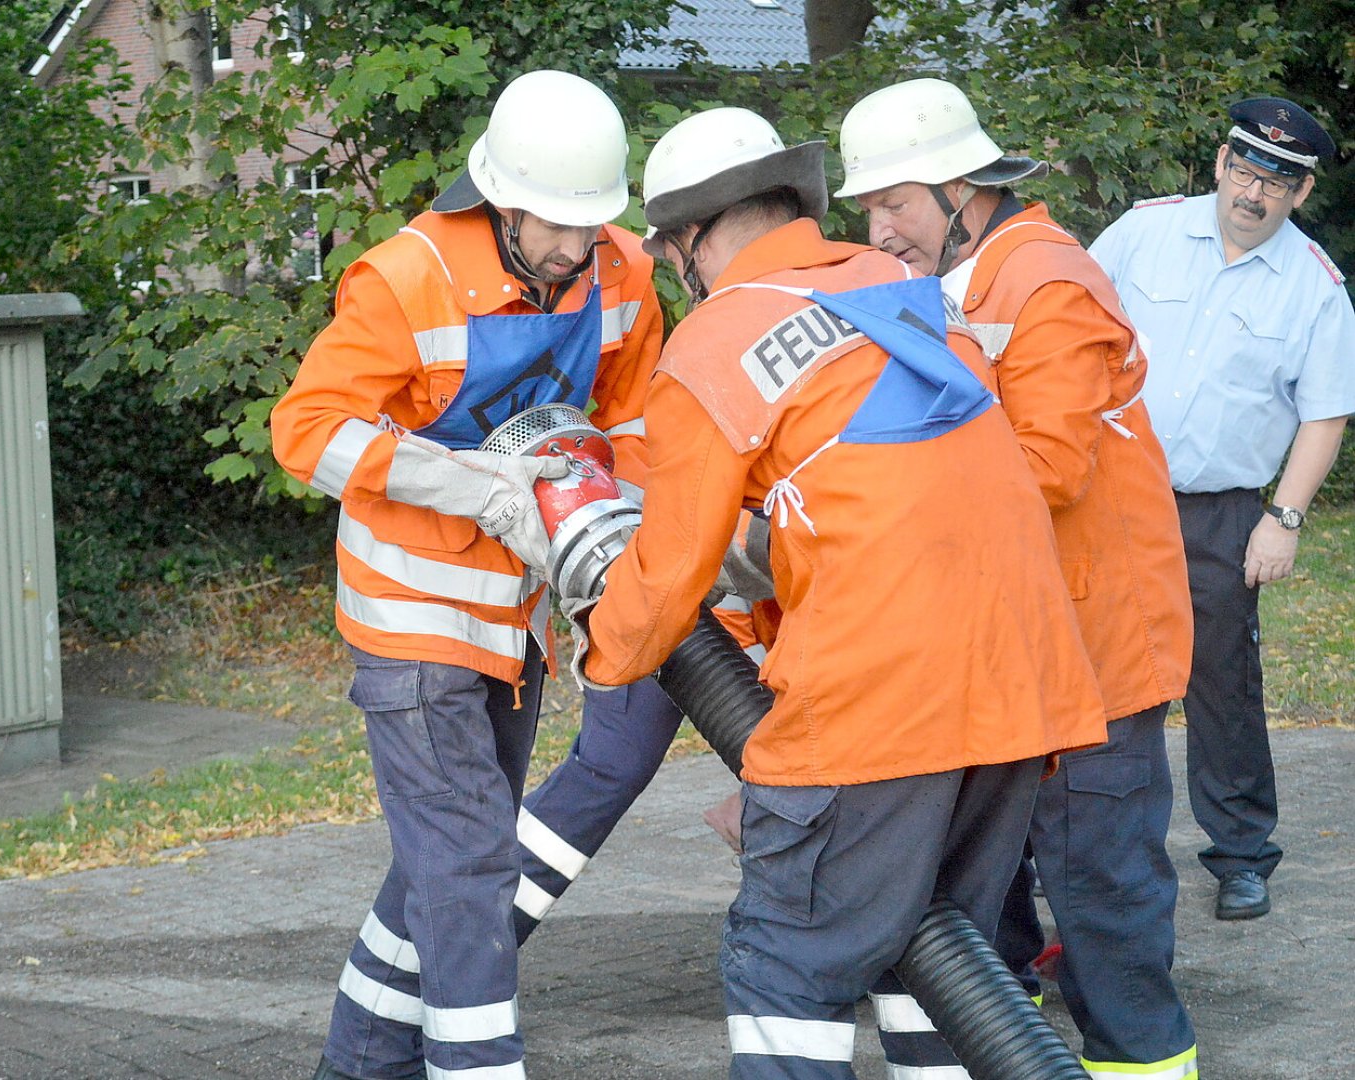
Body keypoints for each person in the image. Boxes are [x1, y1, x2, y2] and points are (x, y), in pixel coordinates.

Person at [568, 105, 1106, 1079]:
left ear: (689, 238)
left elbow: (662, 585)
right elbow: (907, 483)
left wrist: (597, 642)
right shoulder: (906, 289)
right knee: (942, 963)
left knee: (787, 965)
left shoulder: (712, 340)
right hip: (1023, 683)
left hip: (880, 697)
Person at [270, 69, 666, 1080]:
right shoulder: (404, 278)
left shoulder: (618, 272)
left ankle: (359, 1066)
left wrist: (607, 550)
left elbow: (634, 427)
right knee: (470, 865)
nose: (580, 251)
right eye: (560, 229)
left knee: (441, 860)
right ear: (503, 201)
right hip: (412, 618)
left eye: (595, 225)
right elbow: (305, 432)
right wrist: (471, 485)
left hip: (521, 622)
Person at [834, 77, 1199, 1078]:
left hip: (1096, 657)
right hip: (1014, 650)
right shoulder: (949, 285)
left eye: (895, 202)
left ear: (962, 187)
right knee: (989, 897)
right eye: (868, 207)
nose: (879, 227)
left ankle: (1145, 1061)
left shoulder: (1046, 283)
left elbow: (1044, 470)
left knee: (1103, 897)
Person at [1090, 96, 1355, 923]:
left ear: (1300, 194)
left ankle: (1239, 853)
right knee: (1082, 667)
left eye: (1277, 182)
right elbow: (1066, 322)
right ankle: (1059, 838)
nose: (1254, 192)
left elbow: (1324, 412)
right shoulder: (1142, 232)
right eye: (1244, 170)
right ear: (1218, 164)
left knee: (1221, 686)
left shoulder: (1315, 290)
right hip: (1105, 495)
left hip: (1219, 514)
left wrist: (1282, 518)